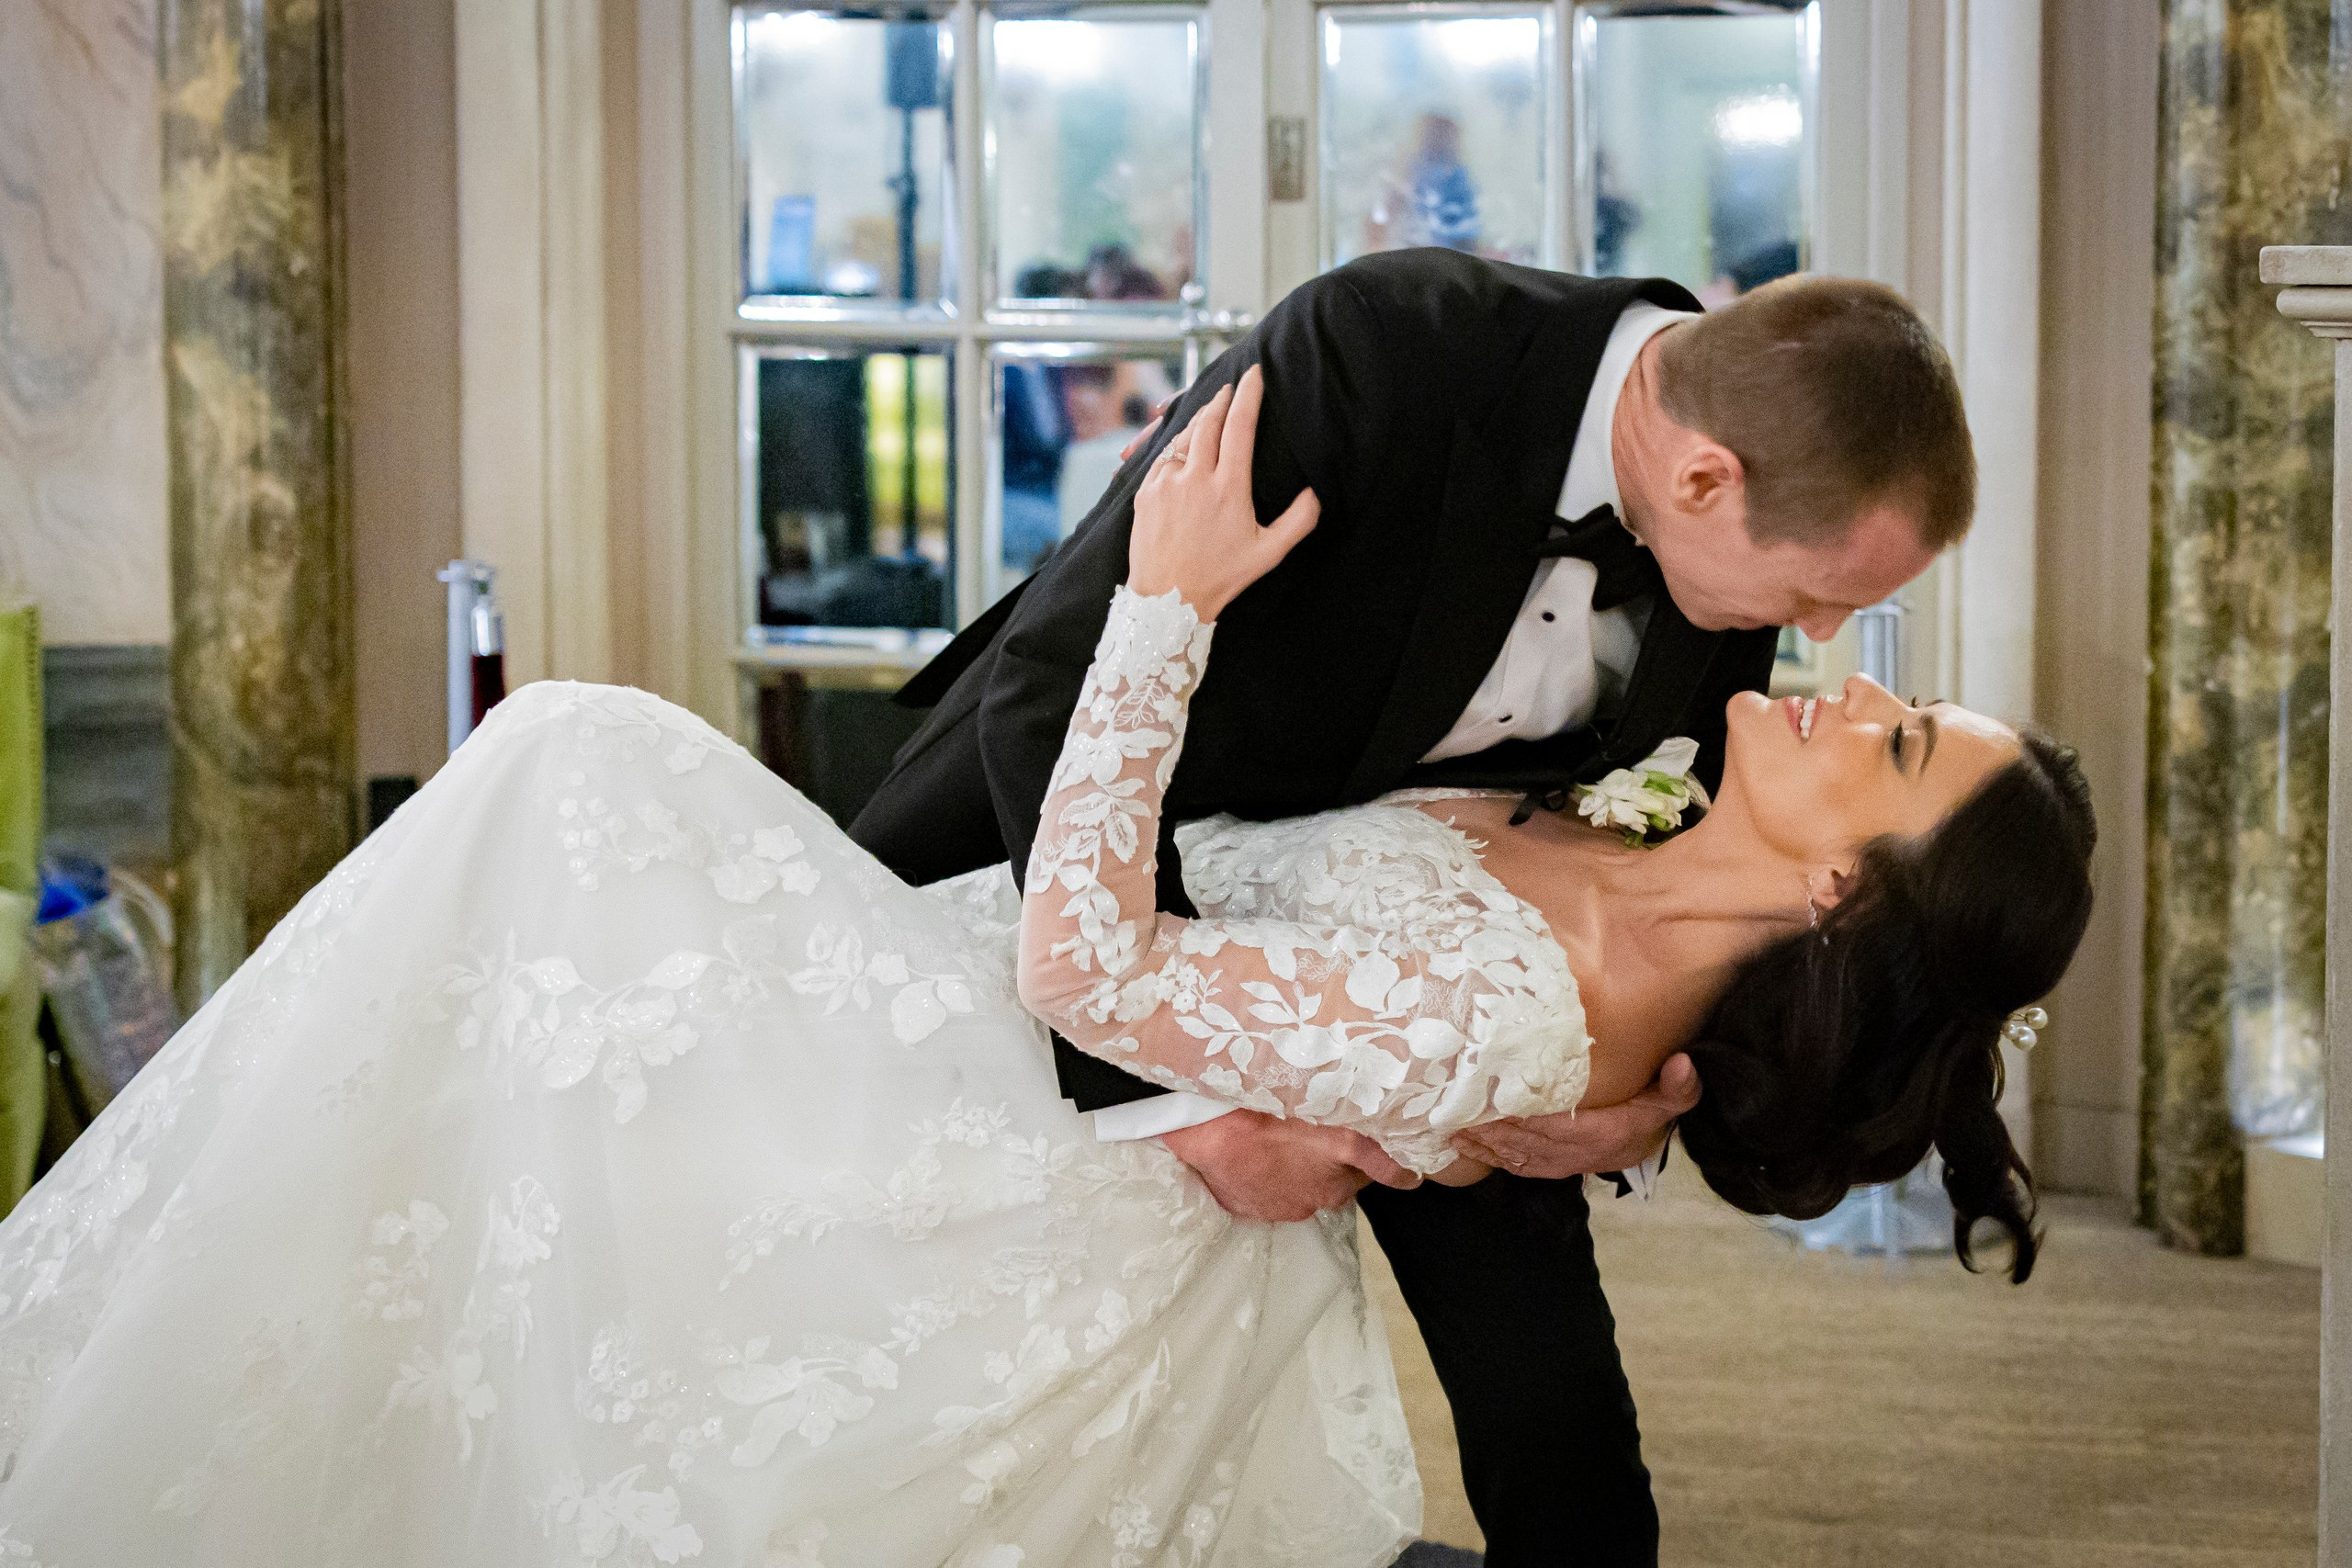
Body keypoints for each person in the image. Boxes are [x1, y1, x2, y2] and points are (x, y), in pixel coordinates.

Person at [0, 371, 2090, 1566]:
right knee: (544, 900)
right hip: (1033, 1029)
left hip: (1041, 1117)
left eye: (1893, 742)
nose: (1841, 682)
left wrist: (1161, 613)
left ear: (1844, 898)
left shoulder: (1530, 1001)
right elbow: (1441, 1021)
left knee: (573, 779)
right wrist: (1513, 1121)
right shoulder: (1636, 828)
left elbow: (1093, 965)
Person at [852, 246, 1983, 1563]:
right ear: (1699, 478)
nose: (1819, 640)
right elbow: (1054, 681)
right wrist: (1186, 1104)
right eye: (1814, 598)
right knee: (962, 1354)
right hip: (1063, 880)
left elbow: (1672, 847)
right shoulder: (1383, 348)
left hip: (1426, 990)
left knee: (1560, 1428)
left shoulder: (1740, 493)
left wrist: (1637, 1098)